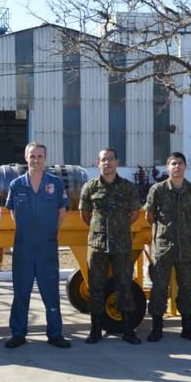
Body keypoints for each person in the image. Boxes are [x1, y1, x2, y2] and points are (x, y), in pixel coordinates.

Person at [5, 142, 71, 349]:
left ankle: (55, 333)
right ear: (26, 158)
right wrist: (27, 231)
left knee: (50, 292)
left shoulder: (55, 183)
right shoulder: (16, 185)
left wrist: (49, 231)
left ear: (45, 158)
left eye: (40, 156)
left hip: (47, 247)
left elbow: (62, 211)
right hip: (23, 247)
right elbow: (13, 212)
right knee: (21, 293)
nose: (36, 160)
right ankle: (18, 333)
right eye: (32, 156)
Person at [79, 148, 142, 345]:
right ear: (97, 163)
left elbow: (134, 213)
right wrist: (99, 230)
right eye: (103, 160)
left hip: (121, 244)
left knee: (124, 285)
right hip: (97, 245)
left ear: (117, 162)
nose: (107, 163)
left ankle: (128, 329)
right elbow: (85, 215)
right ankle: (95, 328)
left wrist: (119, 228)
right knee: (96, 286)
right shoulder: (90, 187)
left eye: (110, 159)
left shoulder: (127, 187)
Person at [144, 151, 191, 342]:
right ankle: (157, 328)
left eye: (180, 163)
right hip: (164, 247)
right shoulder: (158, 190)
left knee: (187, 288)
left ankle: (187, 328)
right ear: (167, 167)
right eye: (173, 164)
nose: (177, 167)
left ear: (185, 167)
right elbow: (149, 216)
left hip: (186, 247)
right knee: (159, 288)